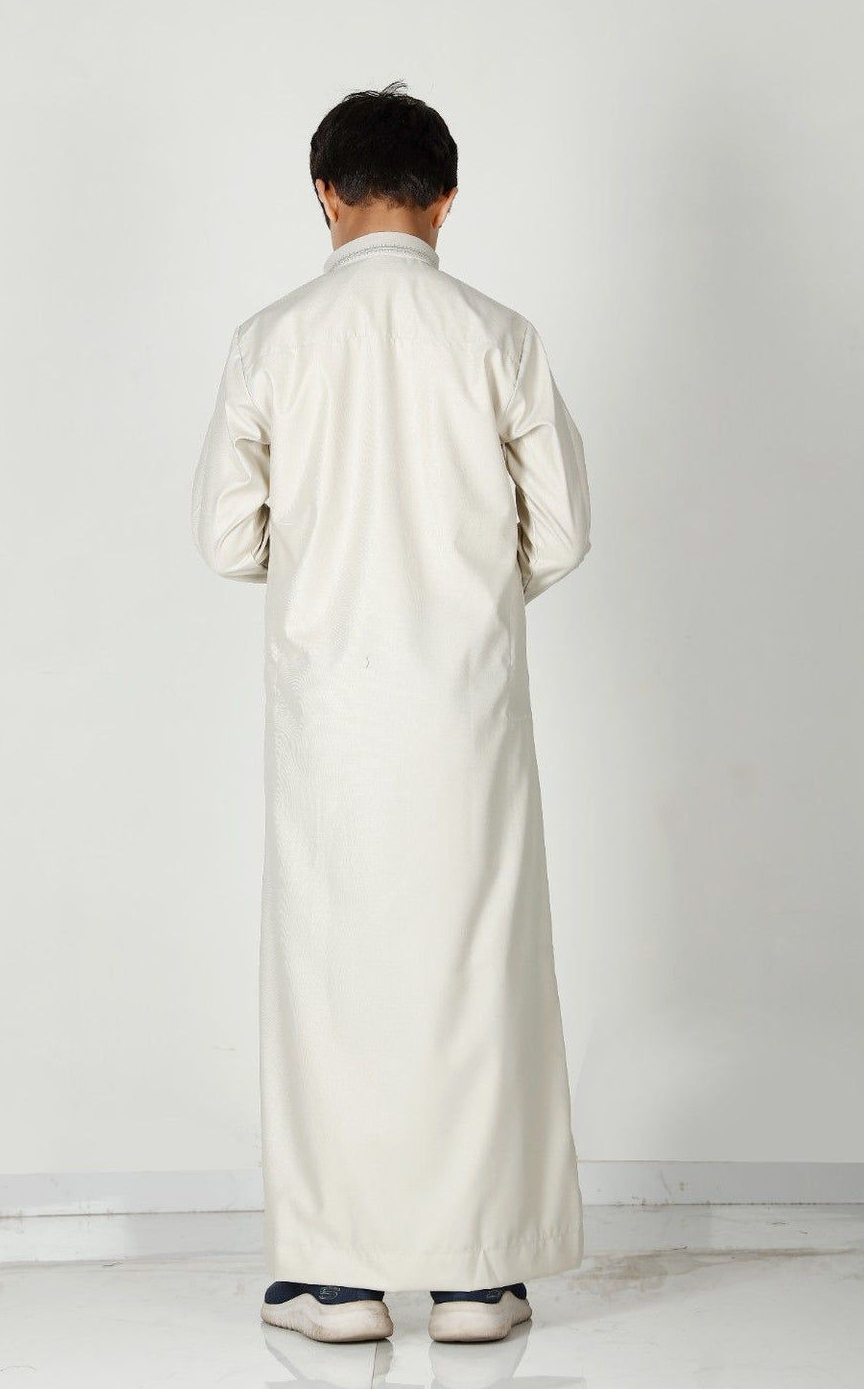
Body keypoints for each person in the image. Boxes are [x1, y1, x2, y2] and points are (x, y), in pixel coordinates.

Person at [191, 82, 592, 1346]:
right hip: (466, 703)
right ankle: (477, 1280)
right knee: (474, 970)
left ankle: (337, 1281)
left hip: (330, 709)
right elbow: (561, 533)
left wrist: (328, 574)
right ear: (446, 200)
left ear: (324, 194)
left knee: (331, 980)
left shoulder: (271, 338)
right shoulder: (499, 336)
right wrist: (469, 594)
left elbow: (226, 539)